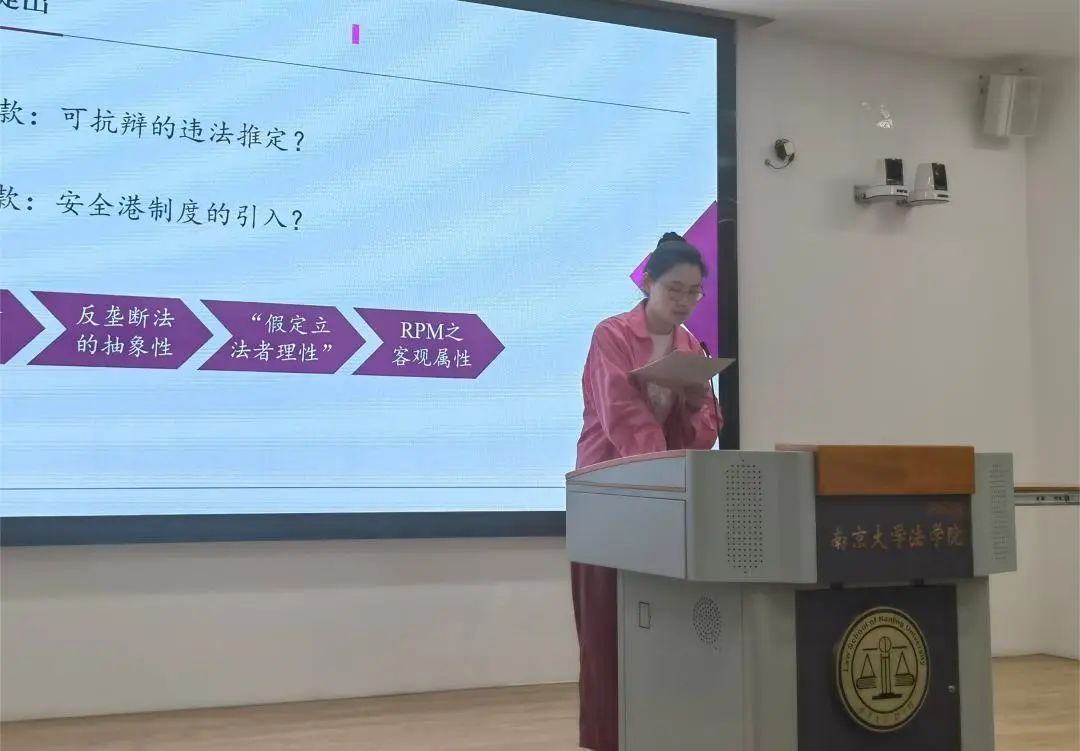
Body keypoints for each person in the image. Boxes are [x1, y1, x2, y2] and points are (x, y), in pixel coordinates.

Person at [571, 231, 722, 751]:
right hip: (609, 490)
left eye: (693, 292)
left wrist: (695, 402)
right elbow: (620, 414)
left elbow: (703, 436)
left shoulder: (691, 347)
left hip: (662, 495)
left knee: (661, 619)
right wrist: (661, 472)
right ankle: (607, 737)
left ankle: (662, 729)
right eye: (673, 289)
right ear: (648, 283)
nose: (683, 301)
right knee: (605, 625)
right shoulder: (612, 335)